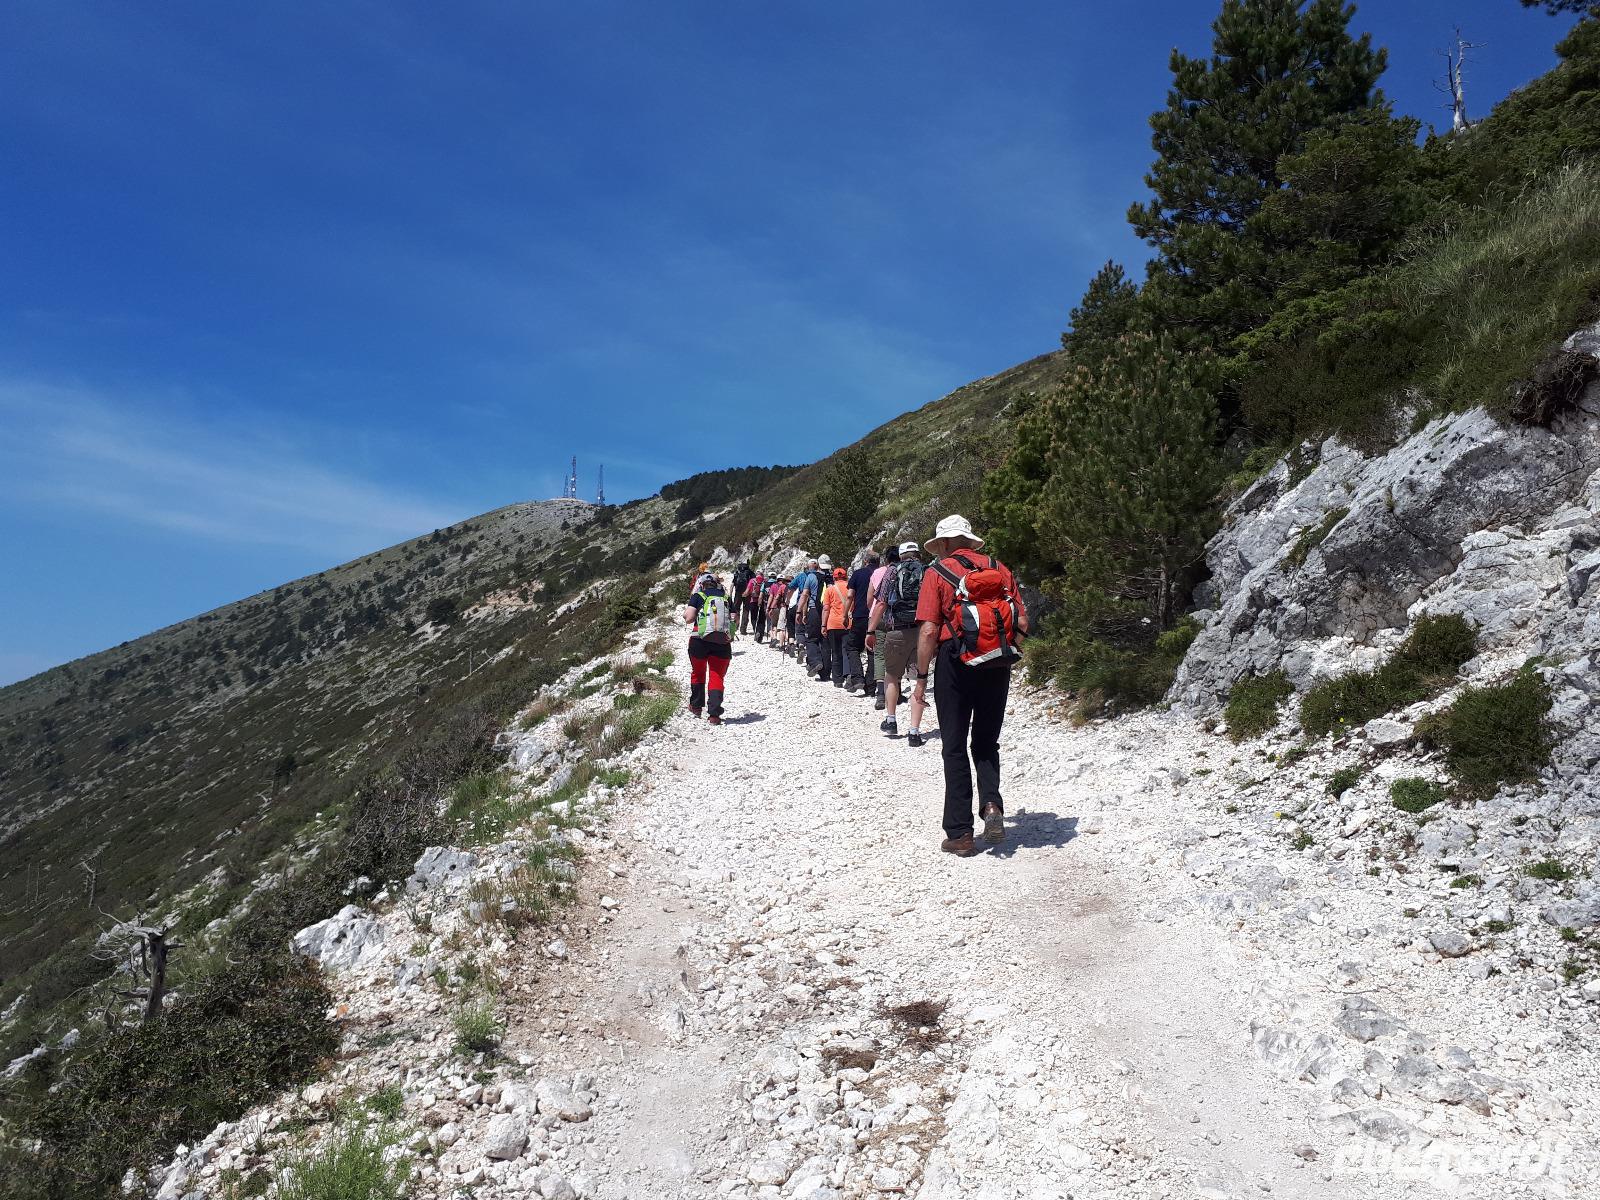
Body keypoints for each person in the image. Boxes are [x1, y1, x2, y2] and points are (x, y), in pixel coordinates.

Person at [913, 515, 1027, 856]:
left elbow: (929, 631)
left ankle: (961, 833)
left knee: (954, 745)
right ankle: (991, 804)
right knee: (986, 741)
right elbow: (1021, 621)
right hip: (996, 659)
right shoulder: (999, 568)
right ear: (970, 540)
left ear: (945, 543)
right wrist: (1004, 650)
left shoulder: (936, 572)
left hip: (954, 660)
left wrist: (921, 677)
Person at [866, 541, 927, 742]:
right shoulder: (927, 571)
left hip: (896, 631)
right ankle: (914, 731)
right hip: (921, 632)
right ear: (917, 553)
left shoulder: (892, 571)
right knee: (918, 679)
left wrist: (871, 630)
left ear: (900, 555)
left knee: (892, 676)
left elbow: (881, 603)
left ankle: (891, 720)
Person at [682, 571, 735, 725]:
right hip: (722, 642)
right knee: (717, 675)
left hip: (698, 641)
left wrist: (686, 614)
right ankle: (714, 715)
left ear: (702, 585)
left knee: (698, 673)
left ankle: (696, 707)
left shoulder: (698, 596)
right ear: (717, 584)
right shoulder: (726, 598)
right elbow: (734, 620)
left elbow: (689, 618)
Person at [844, 551, 879, 695]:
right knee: (873, 650)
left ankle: (858, 678)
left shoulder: (858, 574)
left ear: (865, 561)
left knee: (852, 647)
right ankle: (870, 686)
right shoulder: (882, 573)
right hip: (877, 616)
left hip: (860, 615)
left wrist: (845, 614)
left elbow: (850, 595)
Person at [798, 555, 832, 680]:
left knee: (811, 639)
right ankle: (826, 674)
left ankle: (816, 661)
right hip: (829, 612)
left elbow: (804, 595)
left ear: (818, 565)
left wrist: (800, 612)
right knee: (825, 642)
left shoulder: (811, 577)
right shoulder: (832, 578)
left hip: (814, 611)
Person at [821, 566, 852, 688]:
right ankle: (848, 674)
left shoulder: (830, 590)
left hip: (833, 623)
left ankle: (837, 680)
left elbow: (826, 609)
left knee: (836, 651)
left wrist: (823, 625)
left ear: (834, 578)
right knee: (846, 650)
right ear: (846, 576)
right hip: (848, 623)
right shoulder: (850, 588)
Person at [744, 568, 767, 641]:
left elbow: (747, 591)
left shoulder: (752, 581)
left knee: (753, 617)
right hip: (763, 601)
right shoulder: (765, 581)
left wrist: (743, 595)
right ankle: (760, 634)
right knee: (762, 618)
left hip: (753, 601)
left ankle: (756, 631)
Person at [732, 562, 754, 632]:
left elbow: (732, 584)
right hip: (747, 593)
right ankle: (743, 629)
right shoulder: (750, 573)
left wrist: (730, 594)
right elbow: (754, 583)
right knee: (746, 610)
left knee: (736, 609)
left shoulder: (737, 572)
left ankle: (735, 626)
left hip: (738, 593)